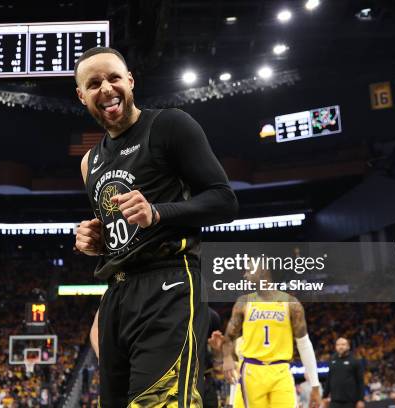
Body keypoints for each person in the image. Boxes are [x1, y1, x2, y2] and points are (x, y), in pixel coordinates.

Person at [74, 46, 238, 407]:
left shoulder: (169, 125)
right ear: (81, 95)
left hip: (170, 284)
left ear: (130, 81)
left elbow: (224, 200)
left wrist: (158, 212)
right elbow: (124, 232)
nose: (106, 88)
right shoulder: (90, 162)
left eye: (114, 78)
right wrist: (96, 240)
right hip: (117, 293)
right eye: (94, 82)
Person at [219, 267, 321, 408]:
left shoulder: (291, 303)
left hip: (280, 370)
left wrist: (315, 385)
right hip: (252, 370)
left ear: (261, 272)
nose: (244, 275)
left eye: (249, 270)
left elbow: (304, 343)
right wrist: (227, 358)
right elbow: (229, 337)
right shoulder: (243, 302)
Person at [322, 337, 364, 408]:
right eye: (338, 345)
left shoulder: (355, 361)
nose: (340, 347)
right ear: (335, 347)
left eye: (343, 344)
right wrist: (324, 396)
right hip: (334, 401)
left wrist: (360, 400)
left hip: (350, 402)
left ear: (348, 346)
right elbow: (329, 379)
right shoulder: (332, 360)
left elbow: (360, 382)